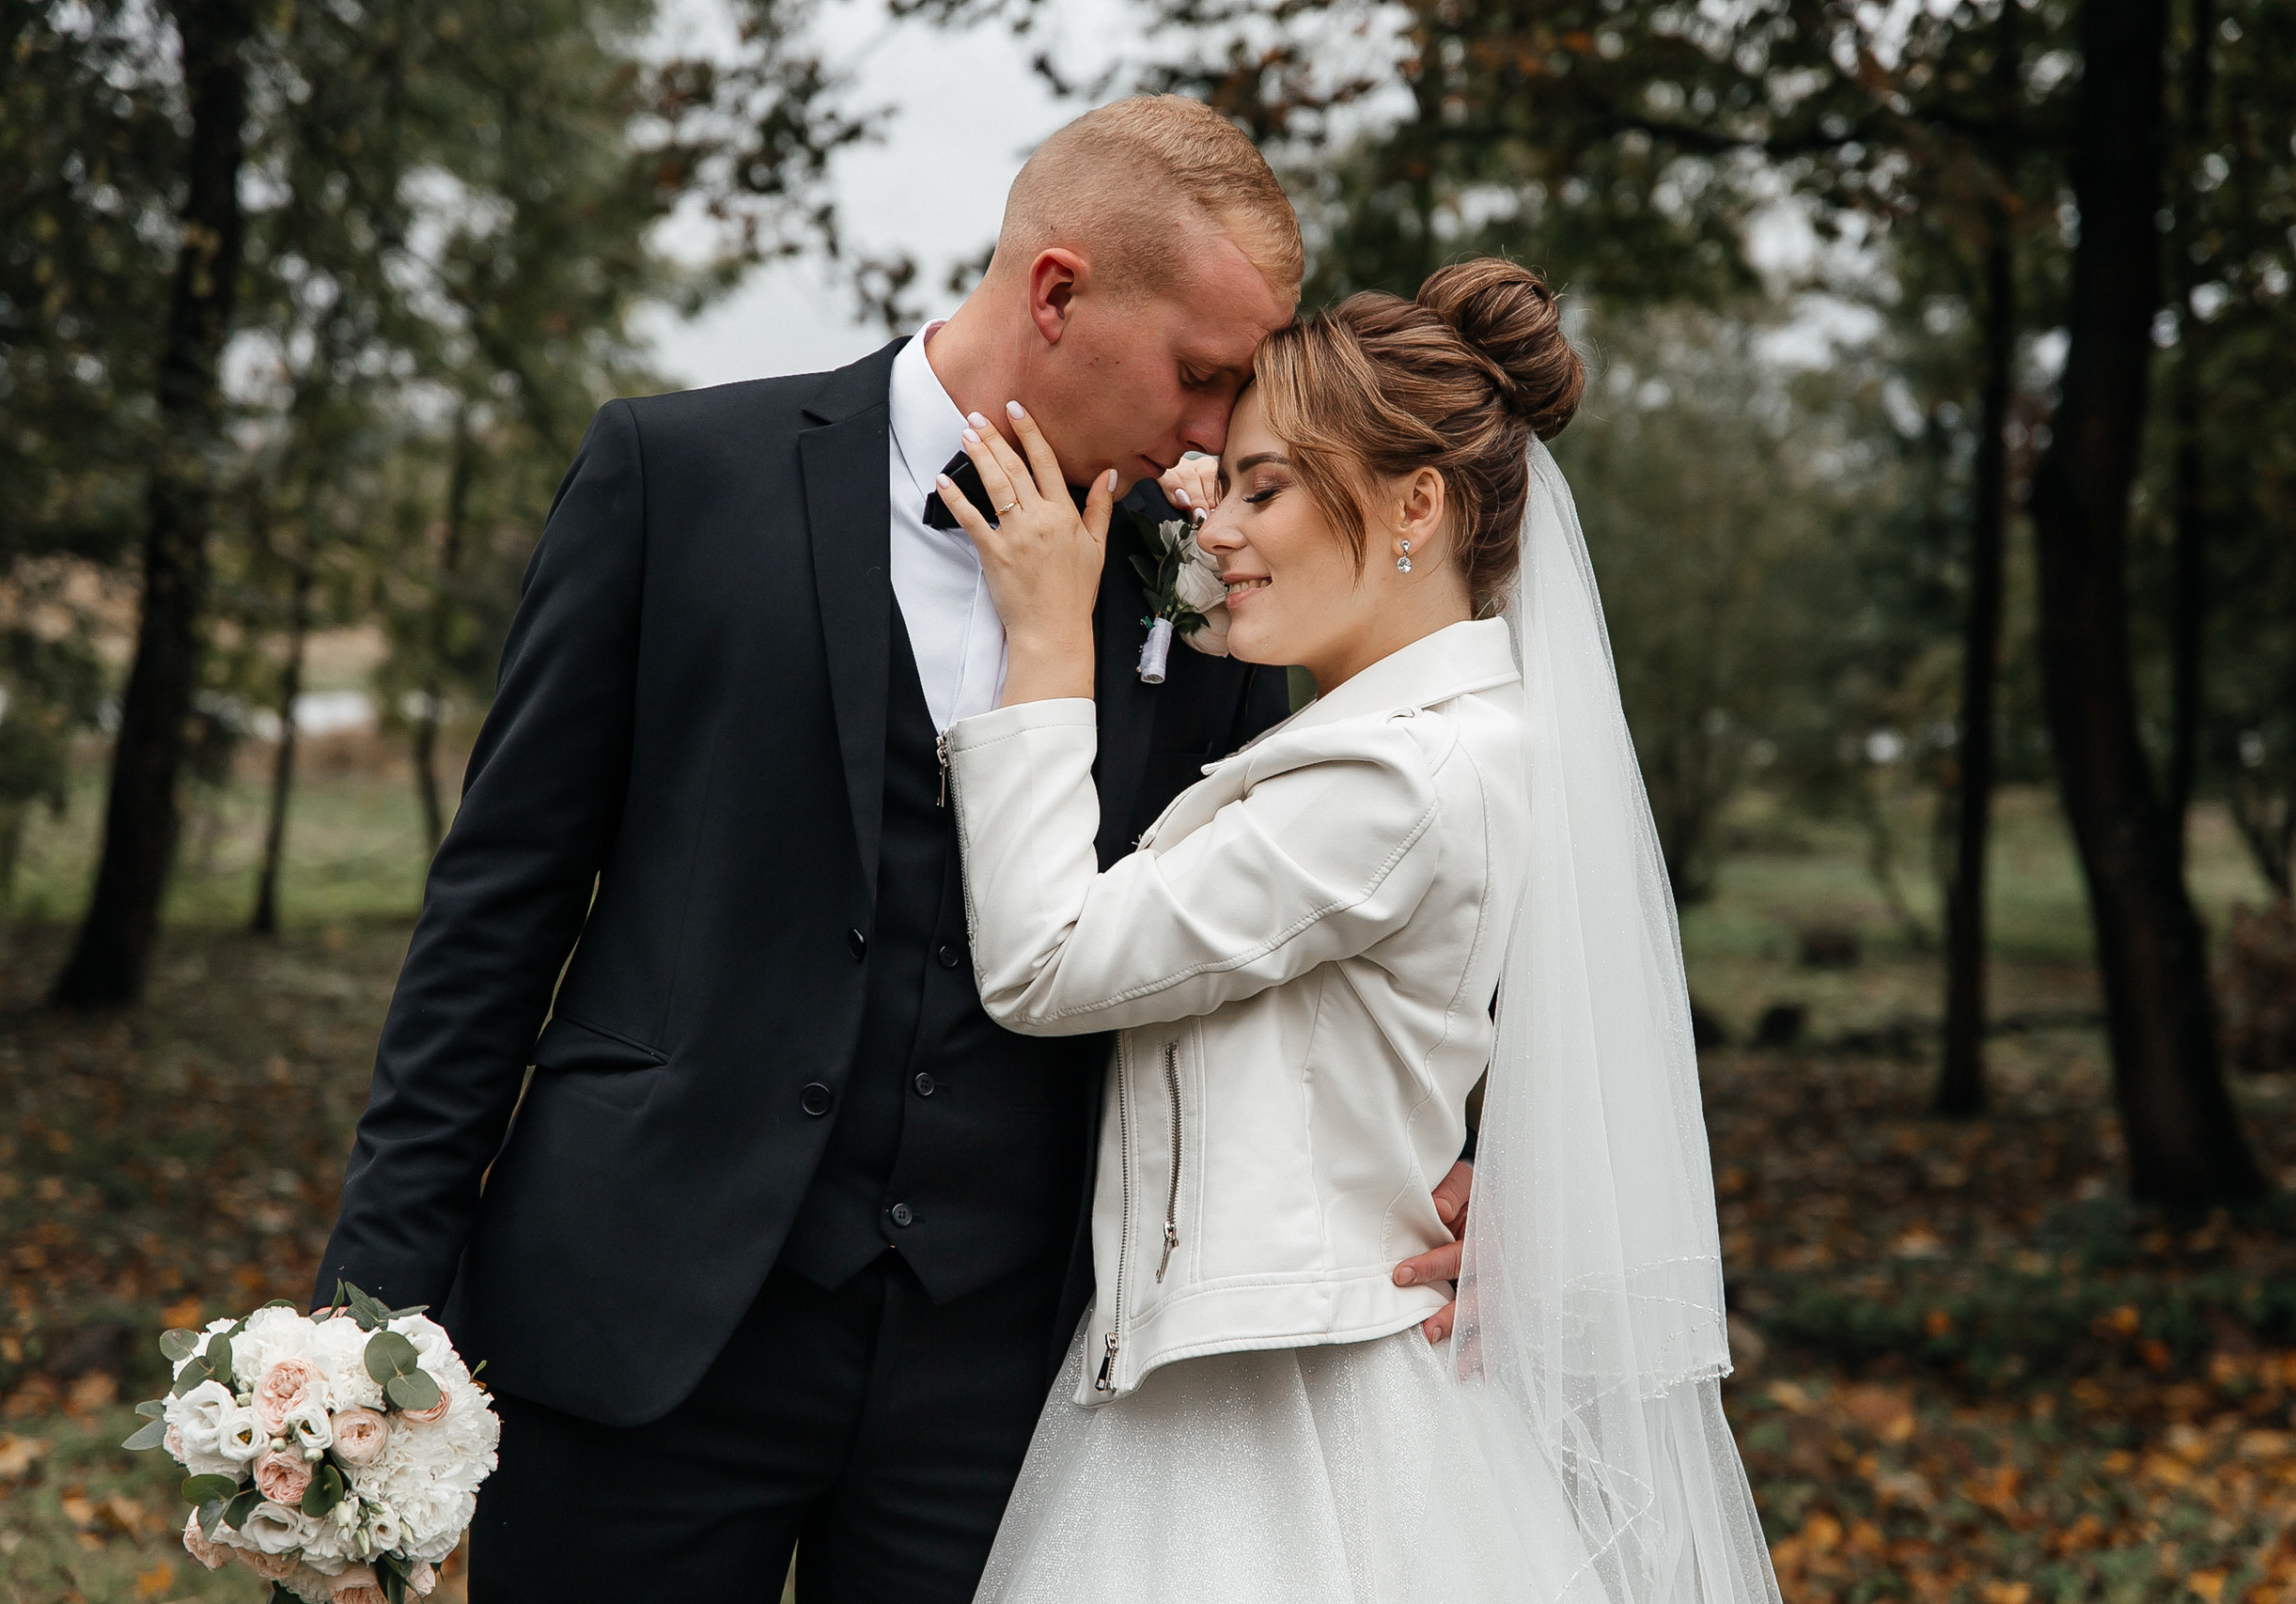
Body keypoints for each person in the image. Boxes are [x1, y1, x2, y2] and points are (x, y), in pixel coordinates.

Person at [307, 97, 1474, 1601]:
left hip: (1005, 1379)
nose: (1212, 437)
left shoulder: (1214, 591)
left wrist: (1475, 1167)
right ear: (1056, 293)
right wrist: (370, 1309)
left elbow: (1341, 890)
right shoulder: (679, 478)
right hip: (641, 1326)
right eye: (1201, 376)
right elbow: (495, 913)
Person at [934, 259, 1782, 1602]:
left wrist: (1046, 648)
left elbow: (1049, 964)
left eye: (1264, 486)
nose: (1215, 528)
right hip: (1318, 1362)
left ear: (1418, 504)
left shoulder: (1393, 781)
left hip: (1265, 1417)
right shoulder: (1463, 742)